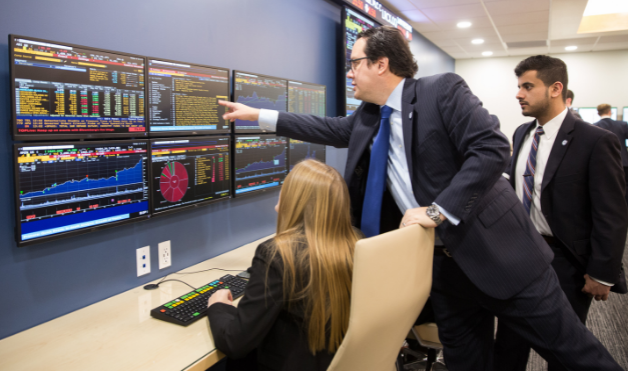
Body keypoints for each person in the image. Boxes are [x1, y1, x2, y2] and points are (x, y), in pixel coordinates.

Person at [219, 26, 623, 371]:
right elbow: (326, 127)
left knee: (576, 355)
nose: (350, 72)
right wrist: (258, 116)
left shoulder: (440, 91)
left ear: (381, 64)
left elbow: (490, 148)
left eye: (355, 63)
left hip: (502, 256)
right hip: (444, 272)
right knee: (468, 362)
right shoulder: (367, 117)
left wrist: (437, 210)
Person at [493, 55, 628, 371]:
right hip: (518, 256)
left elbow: (611, 212)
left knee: (565, 350)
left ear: (555, 88)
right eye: (518, 87)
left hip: (564, 261)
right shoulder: (522, 134)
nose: (518, 94)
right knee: (509, 343)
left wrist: (601, 273)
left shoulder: (595, 141)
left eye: (528, 86)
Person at [207, 159, 361, 371]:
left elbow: (235, 342)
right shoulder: (355, 244)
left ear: (295, 199)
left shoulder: (278, 255)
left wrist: (217, 307)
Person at [595, 103, 628, 204]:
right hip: (623, 162)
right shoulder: (622, 125)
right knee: (625, 189)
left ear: (598, 113)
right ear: (610, 111)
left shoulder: (594, 127)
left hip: (603, 164)